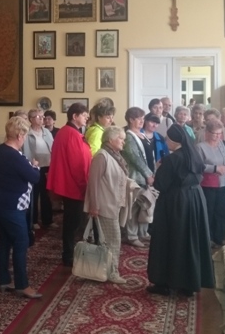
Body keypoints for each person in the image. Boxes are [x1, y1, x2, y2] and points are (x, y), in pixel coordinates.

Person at [146, 125, 214, 297]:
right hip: (195, 198)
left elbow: (160, 184)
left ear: (174, 141)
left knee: (170, 239)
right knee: (190, 239)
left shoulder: (172, 159)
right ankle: (189, 283)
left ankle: (165, 283)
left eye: (168, 139)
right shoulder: (194, 154)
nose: (166, 141)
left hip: (175, 202)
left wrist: (158, 169)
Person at [0, 116, 42, 299]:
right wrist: (35, 167)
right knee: (21, 241)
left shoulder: (0, 150)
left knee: (4, 239)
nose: (24, 139)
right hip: (11, 204)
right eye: (25, 135)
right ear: (20, 135)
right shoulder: (14, 156)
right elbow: (34, 178)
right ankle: (22, 285)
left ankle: (3, 279)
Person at [46, 103, 92, 267]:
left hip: (71, 184)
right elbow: (77, 165)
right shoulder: (71, 134)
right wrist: (84, 186)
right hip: (73, 186)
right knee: (73, 222)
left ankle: (71, 252)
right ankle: (69, 255)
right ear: (74, 116)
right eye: (84, 115)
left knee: (72, 221)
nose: (87, 117)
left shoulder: (69, 132)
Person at [84, 126, 129, 284]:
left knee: (111, 239)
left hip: (113, 203)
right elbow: (93, 183)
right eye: (121, 139)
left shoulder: (115, 155)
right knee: (113, 239)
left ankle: (107, 269)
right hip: (104, 206)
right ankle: (112, 272)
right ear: (110, 140)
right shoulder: (102, 156)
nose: (123, 142)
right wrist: (94, 206)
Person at [196, 119, 225, 247]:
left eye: (220, 133)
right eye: (215, 134)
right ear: (207, 133)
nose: (218, 136)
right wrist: (215, 168)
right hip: (207, 185)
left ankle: (219, 237)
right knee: (208, 212)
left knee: (221, 212)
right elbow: (198, 165)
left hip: (223, 183)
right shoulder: (200, 147)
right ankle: (208, 239)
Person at [122, 107, 154, 247]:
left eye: (143, 118)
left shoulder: (140, 134)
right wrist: (147, 174)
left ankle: (143, 233)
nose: (142, 121)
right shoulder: (129, 137)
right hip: (136, 177)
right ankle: (132, 235)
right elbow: (135, 158)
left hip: (145, 175)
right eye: (139, 118)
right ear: (131, 120)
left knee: (145, 205)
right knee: (134, 207)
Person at [23, 109, 54, 229]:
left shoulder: (46, 132)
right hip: (33, 166)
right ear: (31, 119)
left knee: (46, 194)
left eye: (42, 116)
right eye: (38, 116)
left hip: (47, 166)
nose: (42, 118)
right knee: (34, 194)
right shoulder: (27, 132)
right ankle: (34, 220)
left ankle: (48, 220)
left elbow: (53, 147)